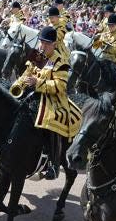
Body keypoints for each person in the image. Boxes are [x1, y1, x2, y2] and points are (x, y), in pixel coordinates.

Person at [21, 26, 81, 179]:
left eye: (47, 43)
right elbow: (26, 73)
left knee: (52, 120)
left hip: (53, 99)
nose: (43, 46)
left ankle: (53, 165)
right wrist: (19, 83)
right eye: (41, 42)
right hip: (32, 93)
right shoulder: (37, 55)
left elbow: (60, 86)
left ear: (54, 44)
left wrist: (38, 82)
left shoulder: (61, 62)